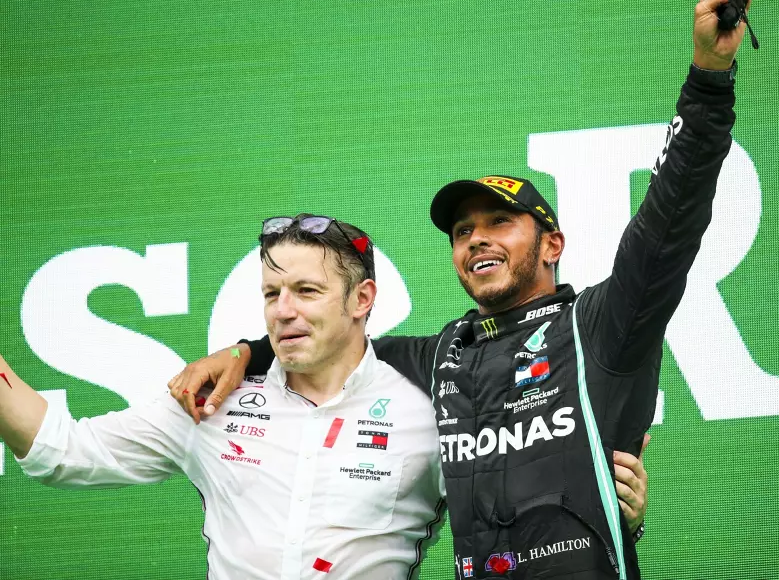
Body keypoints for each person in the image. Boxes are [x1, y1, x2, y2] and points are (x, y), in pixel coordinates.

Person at [170, 0, 758, 579]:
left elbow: (671, 216)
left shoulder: (605, 323)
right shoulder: (441, 354)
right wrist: (244, 353)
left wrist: (709, 76)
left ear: (552, 245)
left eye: (500, 222)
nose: (476, 239)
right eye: (462, 231)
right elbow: (329, 342)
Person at [1, 216, 449, 579]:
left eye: (307, 291)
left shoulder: (433, 409)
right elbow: (63, 452)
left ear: (361, 299)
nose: (283, 310)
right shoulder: (215, 400)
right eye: (271, 294)